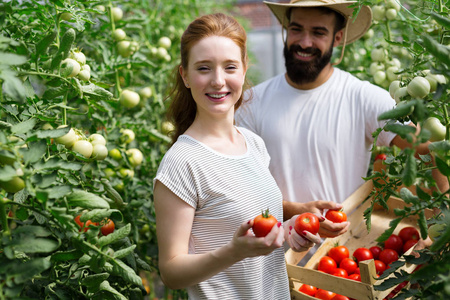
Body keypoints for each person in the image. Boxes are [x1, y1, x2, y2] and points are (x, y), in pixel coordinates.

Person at [153, 12, 344, 300]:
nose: (218, 81)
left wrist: (287, 231)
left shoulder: (253, 144)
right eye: (204, 68)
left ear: (243, 70)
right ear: (185, 76)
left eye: (229, 67)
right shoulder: (181, 163)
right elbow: (171, 272)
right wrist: (233, 251)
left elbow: (255, 228)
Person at [235, 0, 448, 235]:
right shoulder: (251, 102)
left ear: (338, 38)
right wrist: (294, 211)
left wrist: (443, 220)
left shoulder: (363, 97)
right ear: (286, 31)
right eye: (297, 29)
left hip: (342, 257)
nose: (305, 42)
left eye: (318, 32)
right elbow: (241, 187)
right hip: (273, 256)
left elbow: (431, 149)